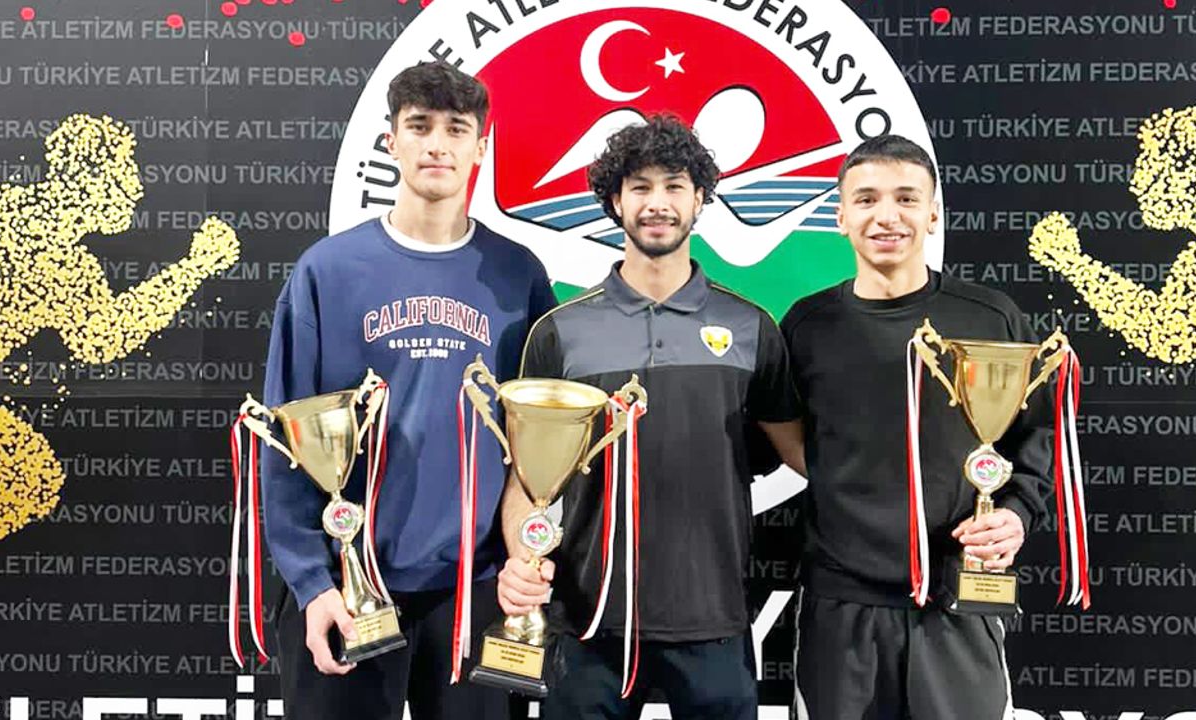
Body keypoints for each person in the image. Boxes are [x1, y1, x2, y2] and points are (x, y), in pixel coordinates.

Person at [260, 61, 556, 720]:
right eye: (419, 126)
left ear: (481, 147)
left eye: (456, 129)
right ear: (391, 141)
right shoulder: (327, 271)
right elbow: (284, 442)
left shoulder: (518, 276)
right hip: (347, 582)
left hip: (474, 589)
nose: (437, 145)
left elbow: (537, 450)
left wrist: (524, 558)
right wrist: (310, 582)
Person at [497, 115, 803, 719]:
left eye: (674, 185)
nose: (657, 203)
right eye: (639, 187)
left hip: (713, 620)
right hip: (588, 623)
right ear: (615, 201)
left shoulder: (751, 328)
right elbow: (525, 484)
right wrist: (520, 559)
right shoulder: (560, 331)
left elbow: (805, 455)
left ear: (700, 198)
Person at [780, 135, 1053, 720]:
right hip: (841, 607)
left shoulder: (990, 318)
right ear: (840, 217)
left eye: (906, 198)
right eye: (867, 199)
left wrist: (1014, 513)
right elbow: (781, 433)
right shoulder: (806, 326)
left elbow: (1033, 436)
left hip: (957, 600)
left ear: (933, 214)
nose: (887, 216)